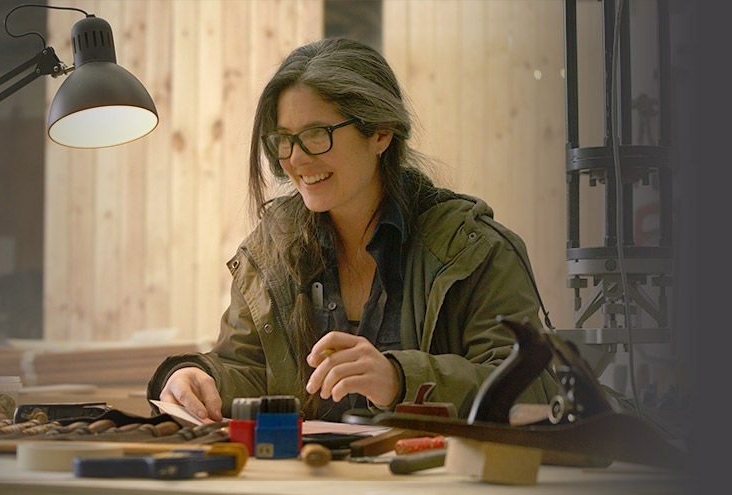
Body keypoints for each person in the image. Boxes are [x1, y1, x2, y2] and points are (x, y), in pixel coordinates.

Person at [146, 38, 559, 423]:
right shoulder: (271, 251)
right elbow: (249, 370)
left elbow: (534, 394)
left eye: (316, 135)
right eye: (284, 140)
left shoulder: (473, 249)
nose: (296, 159)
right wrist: (197, 377)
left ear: (381, 133)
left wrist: (400, 379)